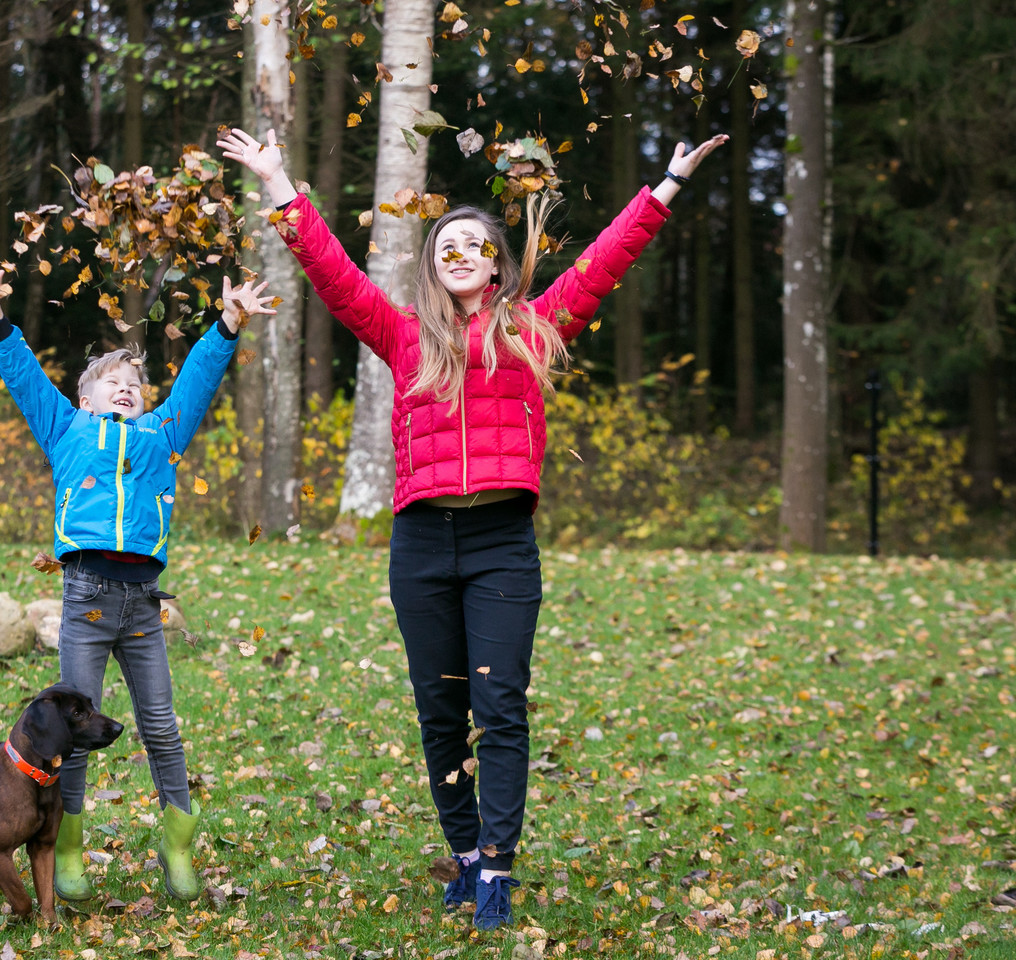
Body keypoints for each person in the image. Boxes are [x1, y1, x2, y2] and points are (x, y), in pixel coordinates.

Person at [218, 125, 727, 929]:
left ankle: (496, 867)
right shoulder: (403, 335)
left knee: (501, 711)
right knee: (438, 712)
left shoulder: (531, 327)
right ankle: (462, 855)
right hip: (421, 548)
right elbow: (332, 274)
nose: (457, 252)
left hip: (500, 546)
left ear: (494, 261)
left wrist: (665, 183)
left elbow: (604, 262)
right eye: (444, 244)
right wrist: (281, 183)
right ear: (432, 264)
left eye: (472, 243)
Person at [0, 261, 277, 901]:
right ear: (84, 398)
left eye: (135, 383)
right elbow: (21, 375)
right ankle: (65, 846)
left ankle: (178, 844)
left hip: (143, 606)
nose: (126, 388)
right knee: (69, 731)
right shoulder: (64, 429)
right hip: (87, 602)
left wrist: (229, 322)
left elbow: (199, 383)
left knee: (161, 726)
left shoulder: (163, 435)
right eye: (110, 382)